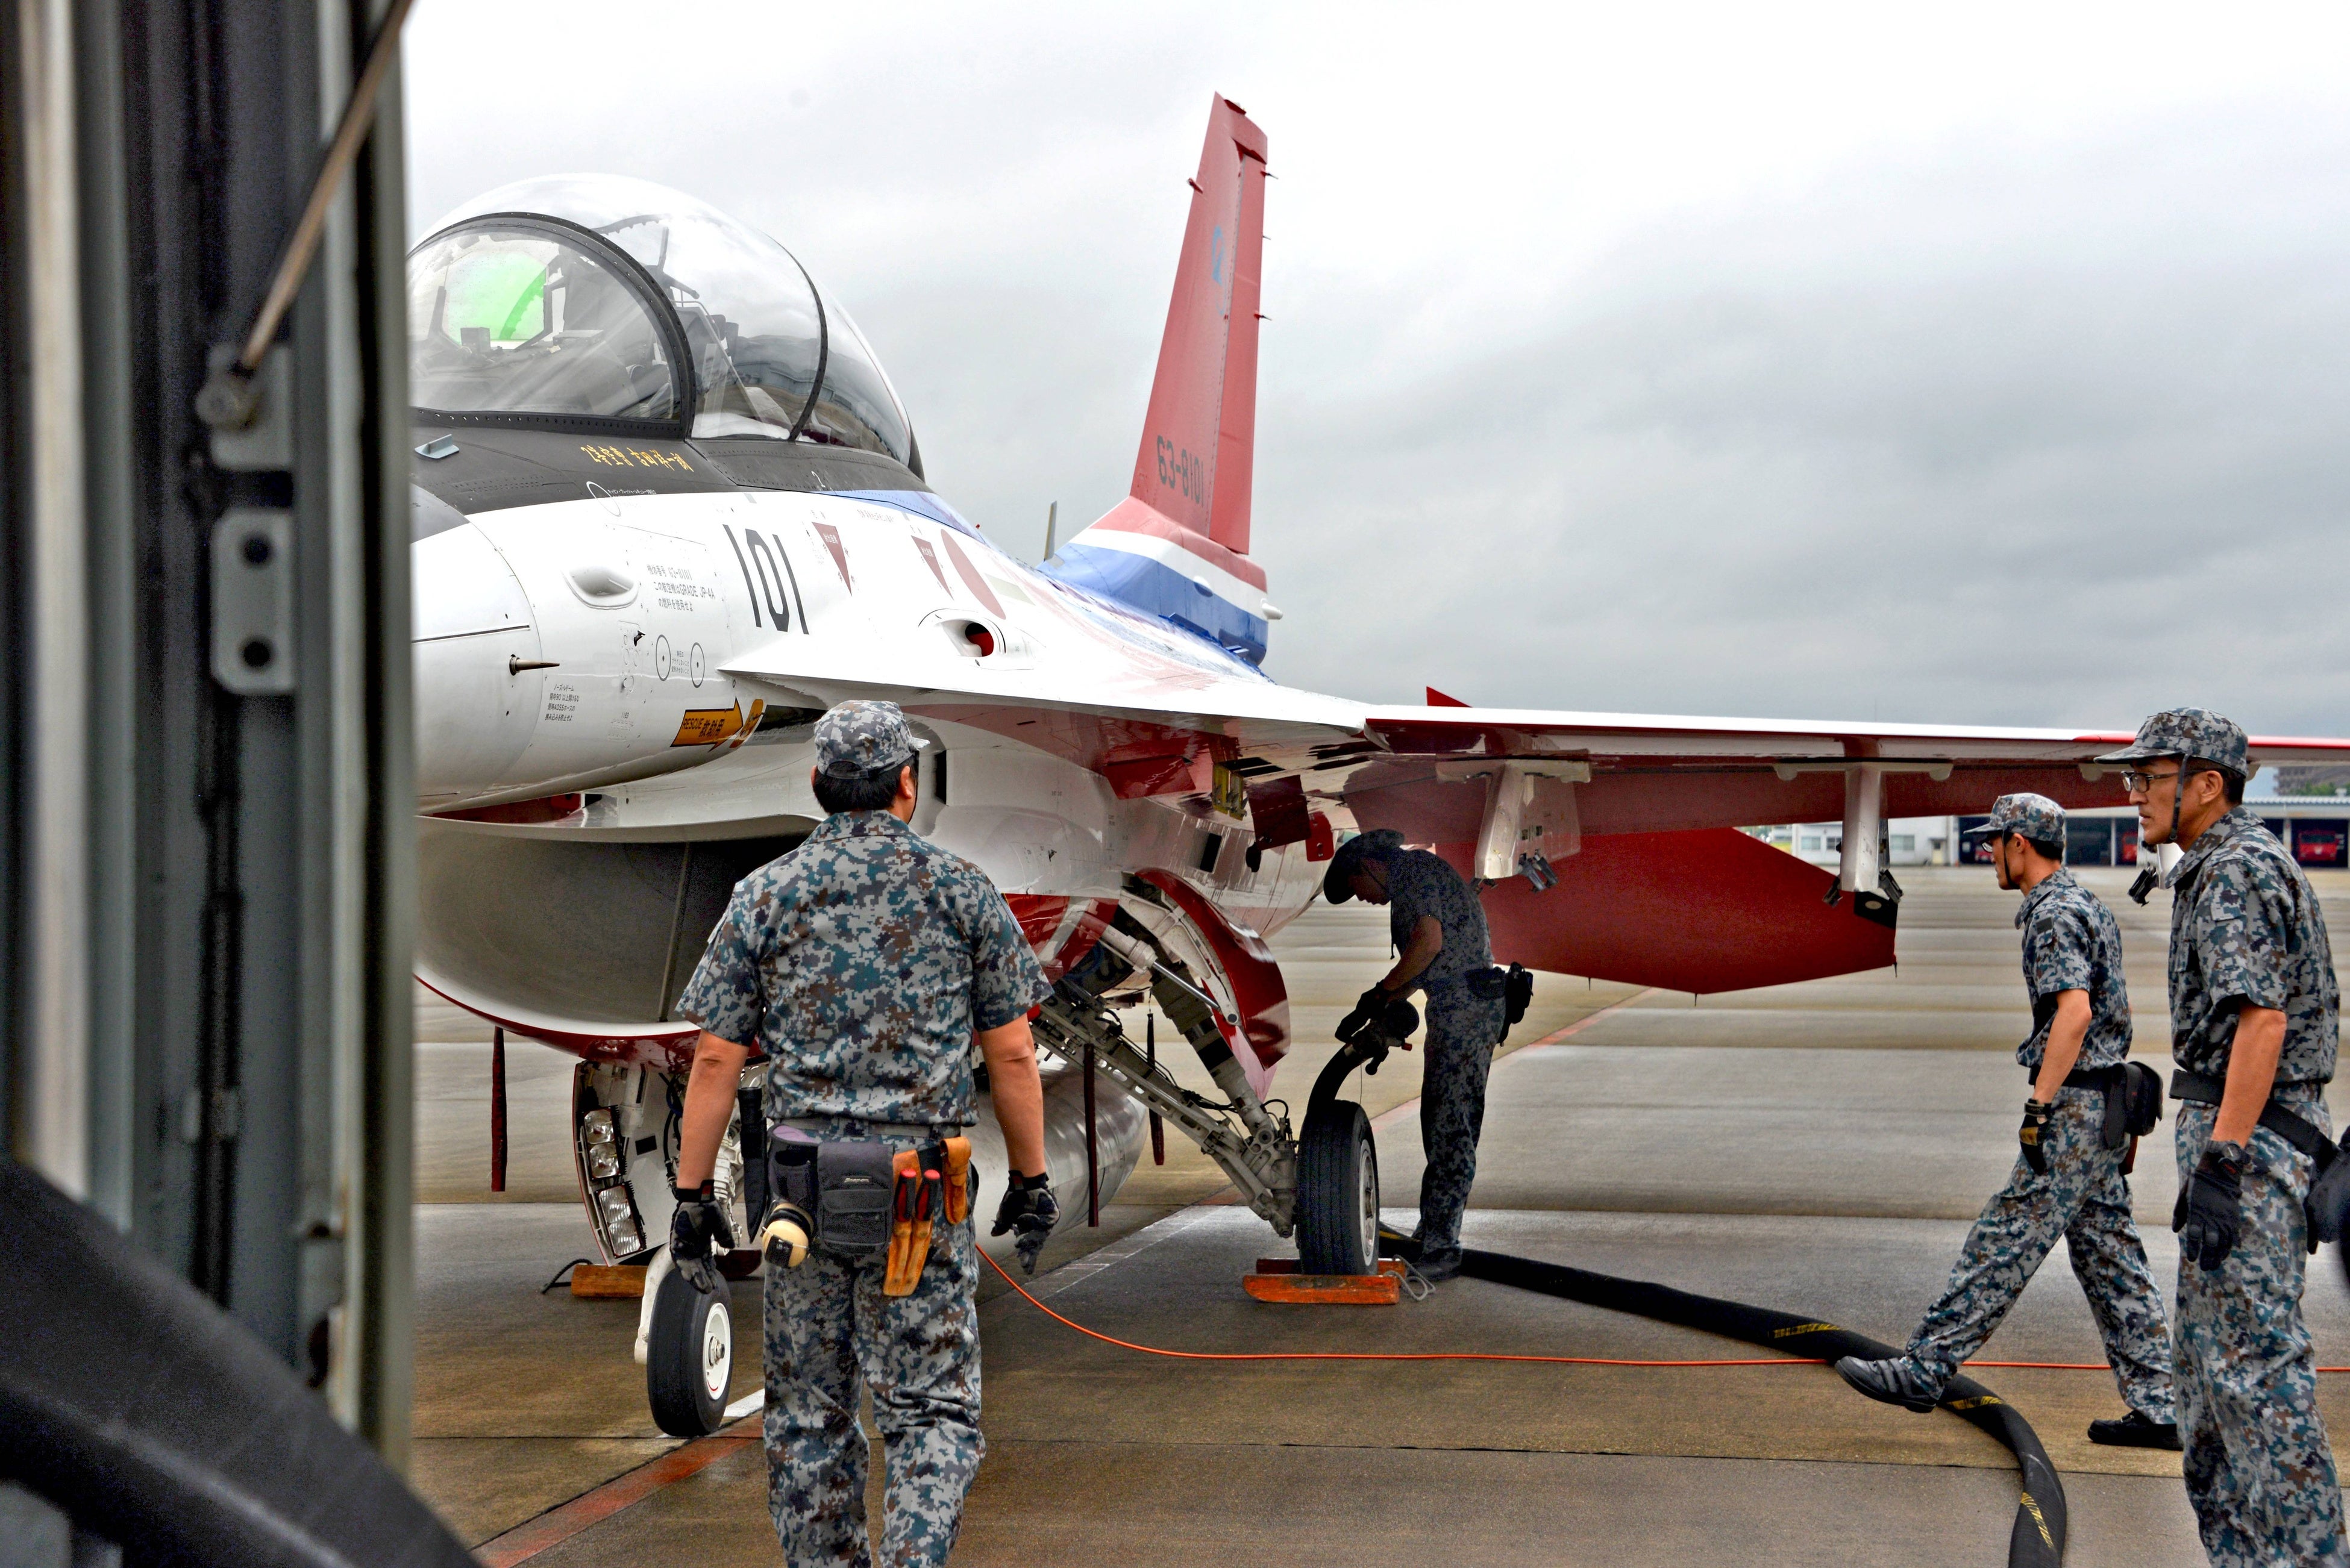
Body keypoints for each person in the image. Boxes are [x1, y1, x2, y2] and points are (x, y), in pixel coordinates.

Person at [665, 700, 1059, 1567]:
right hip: (920, 1193)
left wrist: (692, 1197)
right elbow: (1012, 1053)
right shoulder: (963, 889)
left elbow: (716, 1058)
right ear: (907, 784)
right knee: (931, 1410)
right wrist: (1032, 1180)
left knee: (809, 1413)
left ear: (817, 782)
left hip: (802, 1200)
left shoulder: (764, 893)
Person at [1834, 793, 2179, 1448]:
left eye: (1995, 840)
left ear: (2021, 842)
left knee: (2003, 1240)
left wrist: (2039, 1105)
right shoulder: (2084, 901)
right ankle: (2162, 1405)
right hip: (2105, 1106)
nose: (1987, 850)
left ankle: (1924, 1369)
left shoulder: (2053, 912)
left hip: (2076, 1108)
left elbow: (2075, 1012)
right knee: (2112, 1260)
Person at [2101, 708, 2345, 1567]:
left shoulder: (2237, 868)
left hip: (2252, 1148)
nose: (2134, 792)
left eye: (2149, 777)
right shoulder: (2214, 865)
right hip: (2238, 1137)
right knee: (2207, 1386)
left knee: (2256, 1377)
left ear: (2207, 783)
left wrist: (2225, 1159)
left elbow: (2263, 1021)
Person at [1324, 828, 1505, 1281]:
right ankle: (1434, 1233)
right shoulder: (1416, 874)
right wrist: (1380, 1003)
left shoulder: (1413, 873)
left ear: (1370, 865)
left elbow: (1428, 943)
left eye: (1356, 888)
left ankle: (1442, 1245)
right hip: (1460, 1006)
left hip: (1465, 1010)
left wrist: (1382, 990)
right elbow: (1426, 967)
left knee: (1450, 1127)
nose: (1362, 899)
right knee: (1442, 1123)